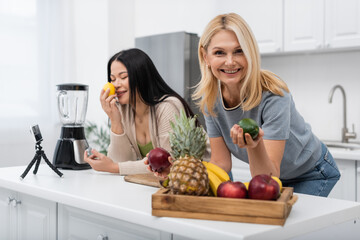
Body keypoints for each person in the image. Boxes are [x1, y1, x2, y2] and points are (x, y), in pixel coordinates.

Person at [192, 13, 340, 197]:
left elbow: (269, 175)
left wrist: (255, 146)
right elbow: (221, 164)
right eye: (219, 52)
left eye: (239, 51)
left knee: (290, 226)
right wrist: (185, 176)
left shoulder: (273, 94)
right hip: (272, 177)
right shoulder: (211, 101)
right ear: (205, 57)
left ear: (251, 53)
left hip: (312, 173)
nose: (230, 61)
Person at [84, 48, 207, 175]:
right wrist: (115, 121)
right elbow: (121, 161)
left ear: (142, 76)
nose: (116, 84)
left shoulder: (167, 107)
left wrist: (113, 167)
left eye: (123, 77)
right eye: (112, 79)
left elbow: (167, 164)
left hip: (205, 178)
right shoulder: (124, 110)